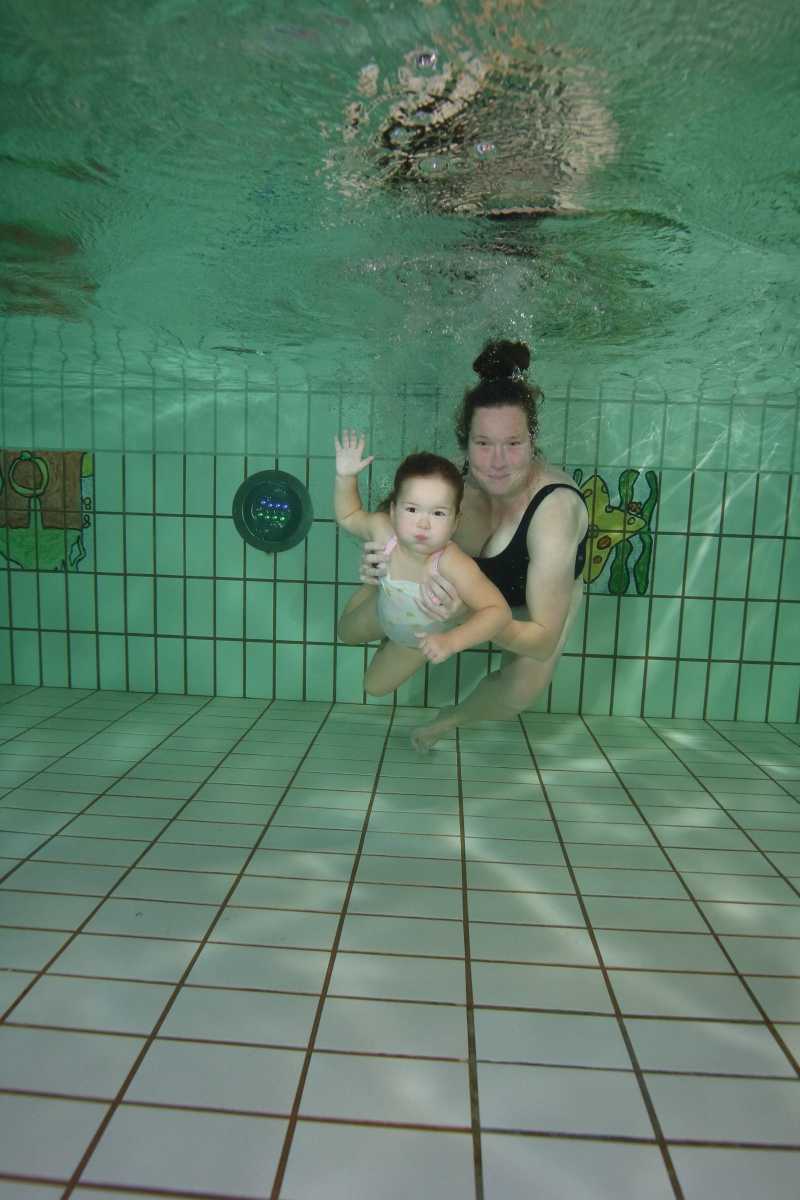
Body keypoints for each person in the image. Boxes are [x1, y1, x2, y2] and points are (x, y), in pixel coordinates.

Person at [337, 340, 589, 750]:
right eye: (483, 444)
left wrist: (468, 619)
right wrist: (380, 569)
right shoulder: (450, 487)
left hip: (529, 606)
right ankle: (397, 616)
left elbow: (542, 640)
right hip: (459, 595)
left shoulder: (554, 512)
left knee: (519, 693)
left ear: (532, 441)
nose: (497, 462)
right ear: (466, 443)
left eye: (513, 444)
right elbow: (381, 526)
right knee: (367, 668)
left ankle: (450, 720)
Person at [334, 434, 511, 698]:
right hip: (381, 610)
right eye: (412, 510)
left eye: (438, 513)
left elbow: (498, 612)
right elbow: (349, 516)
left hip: (415, 640)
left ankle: (387, 634)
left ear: (455, 522)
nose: (423, 524)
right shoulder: (384, 532)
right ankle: (373, 587)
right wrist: (345, 477)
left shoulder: (452, 564)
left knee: (374, 687)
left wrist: (451, 641)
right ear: (393, 511)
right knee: (344, 634)